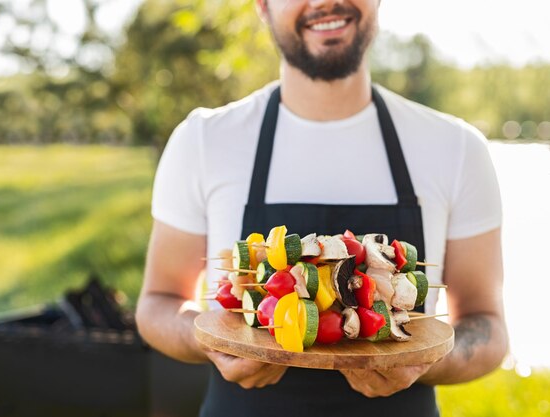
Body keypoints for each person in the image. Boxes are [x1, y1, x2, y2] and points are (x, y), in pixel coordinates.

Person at [136, 0, 508, 415]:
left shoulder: (455, 148)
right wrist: (208, 339)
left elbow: (487, 326)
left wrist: (426, 360)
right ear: (262, 5)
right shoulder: (203, 141)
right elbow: (157, 302)